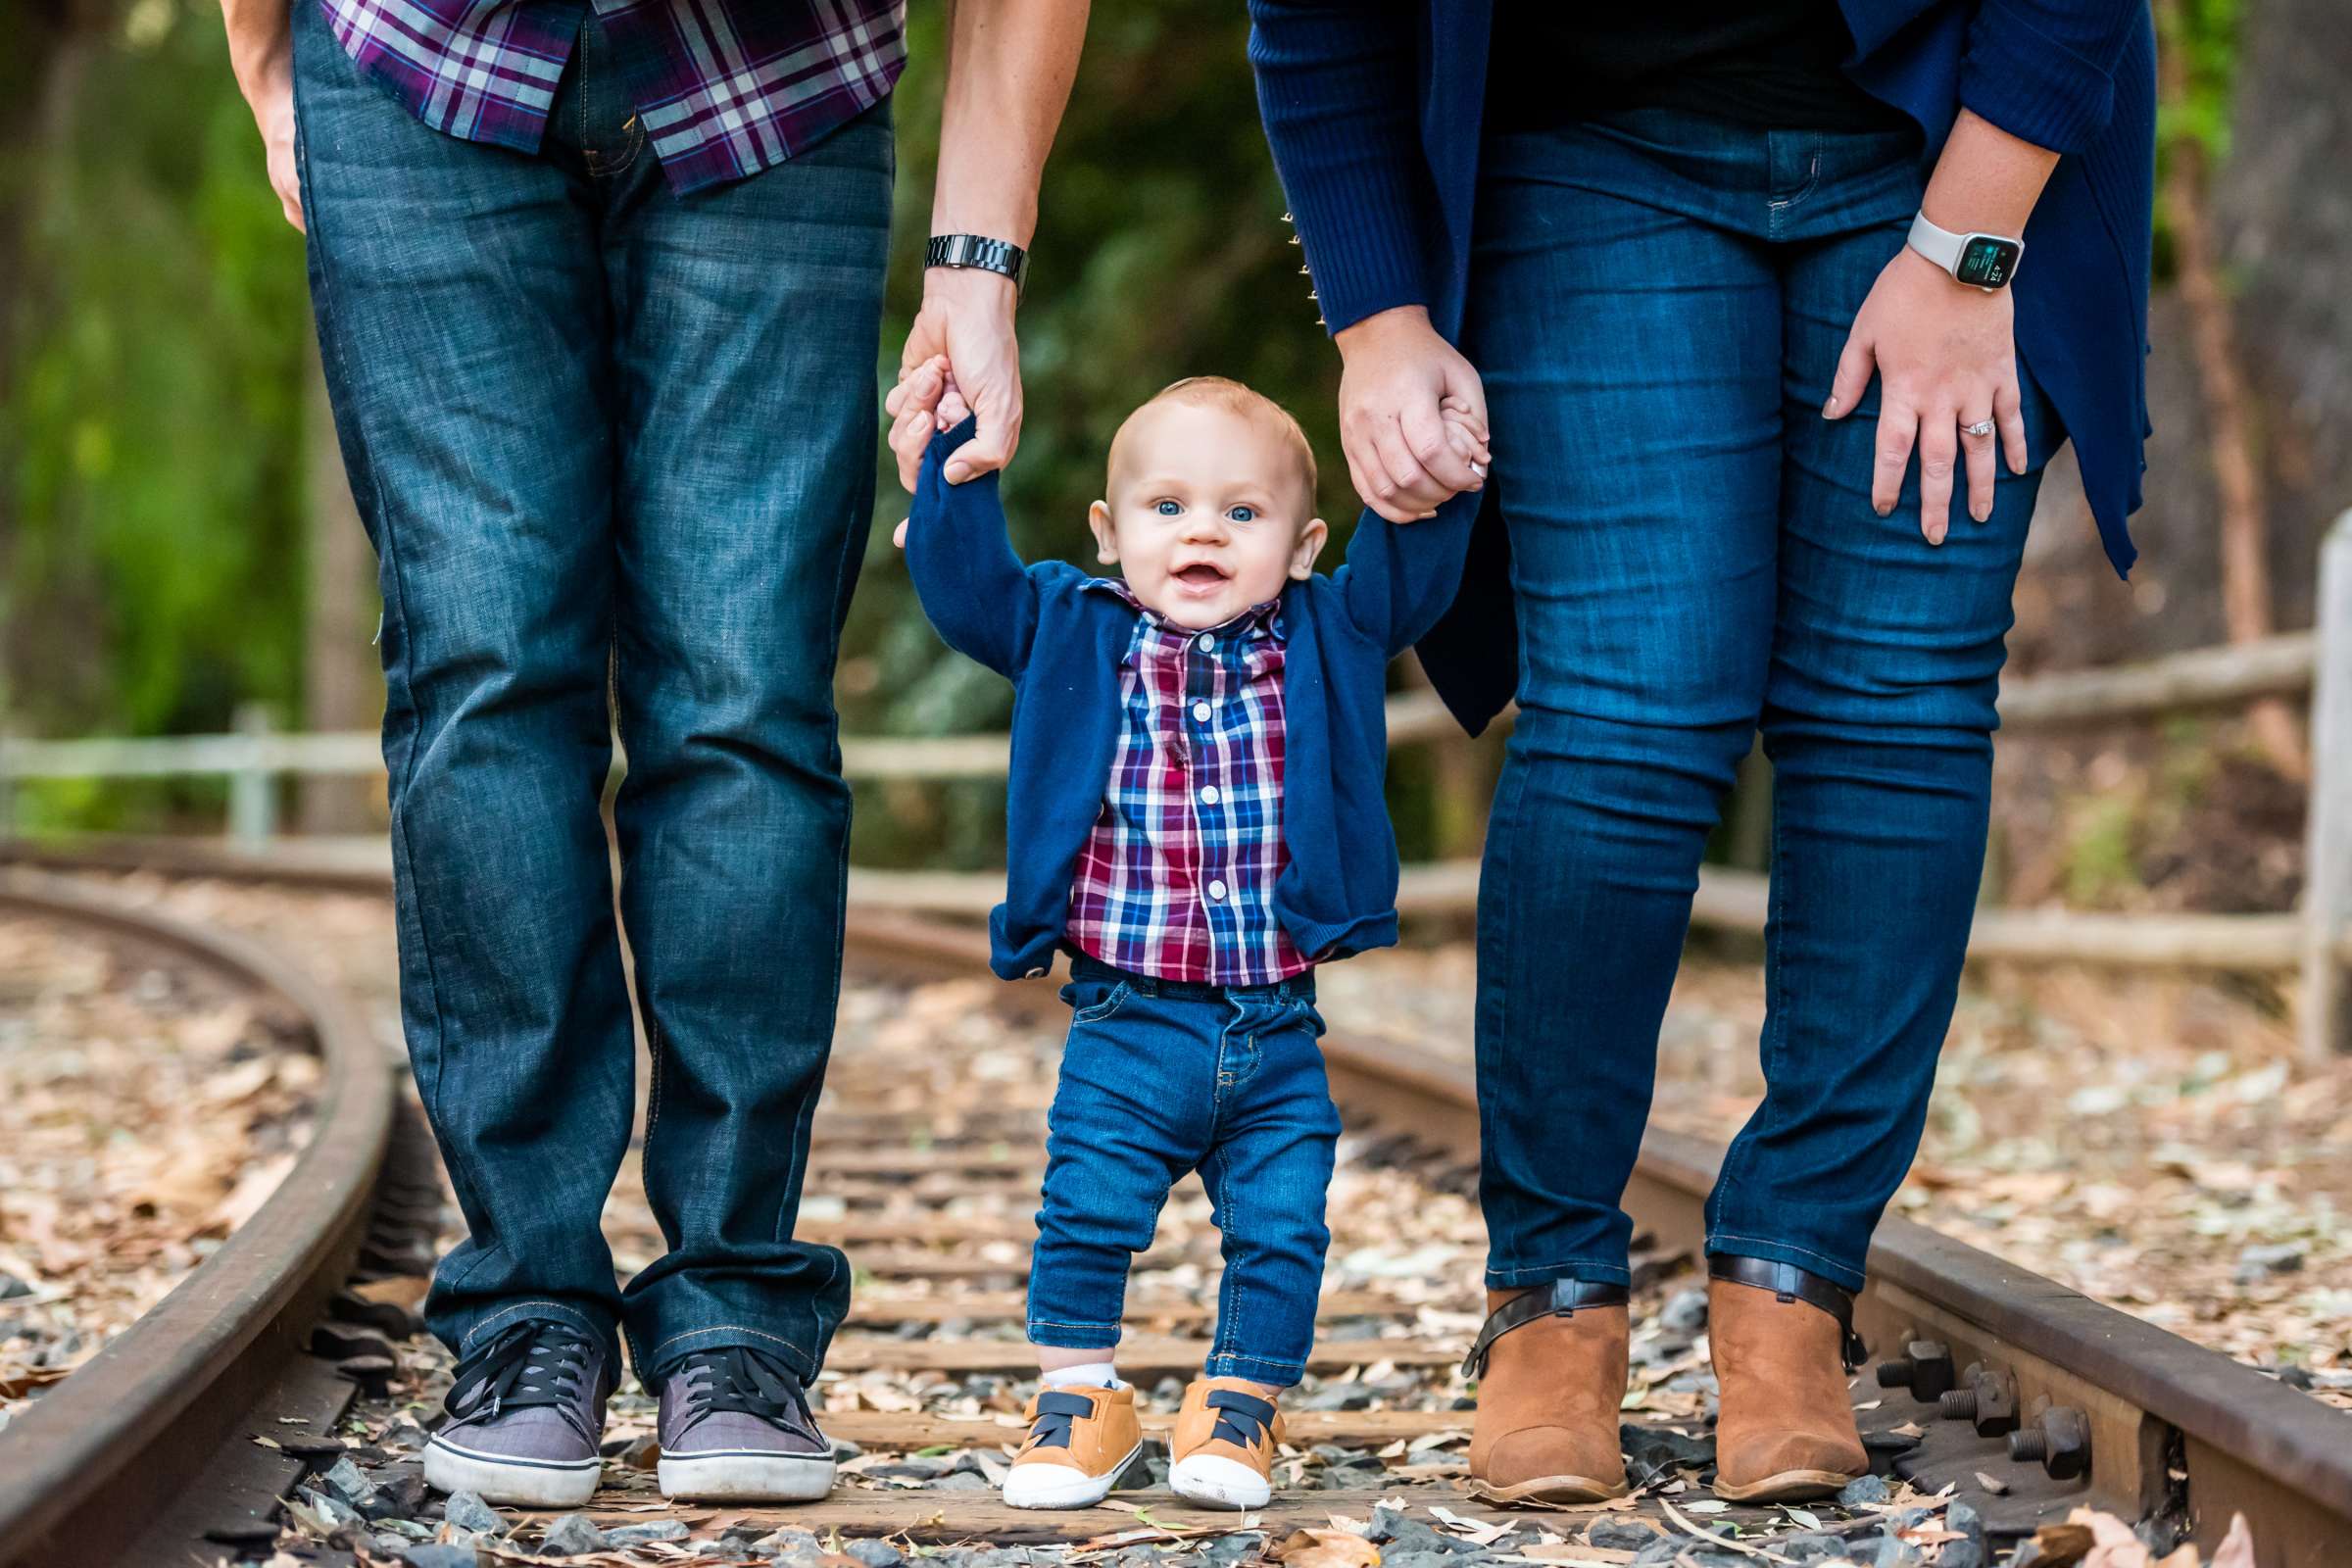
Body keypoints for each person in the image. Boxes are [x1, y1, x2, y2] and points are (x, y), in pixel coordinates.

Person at [1250, 0, 2154, 1505]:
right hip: (1590, 148)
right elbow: (1322, 14)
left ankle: (1794, 1280)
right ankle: (1550, 1301)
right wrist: (1380, 321)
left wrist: (1970, 250)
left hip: (1950, 142)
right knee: (1626, 711)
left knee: (1897, 707)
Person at [216, 0, 1086, 1507]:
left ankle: (737, 1312)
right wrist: (264, 47)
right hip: (420, 60)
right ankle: (529, 1305)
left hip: (777, 78)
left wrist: (978, 261)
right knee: (485, 673)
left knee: (741, 695)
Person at [895, 372, 1485, 1509]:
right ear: (1111, 534)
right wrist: (953, 451)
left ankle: (1240, 1404)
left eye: (1242, 512)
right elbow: (966, 585)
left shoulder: (1331, 630)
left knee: (1282, 1224)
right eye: (1167, 508)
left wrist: (1436, 450)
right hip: (1126, 1021)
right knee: (1086, 1211)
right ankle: (1079, 1402)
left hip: (1276, 1028)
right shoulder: (1071, 626)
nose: (1203, 529)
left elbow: (1417, 566)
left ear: (1305, 545)